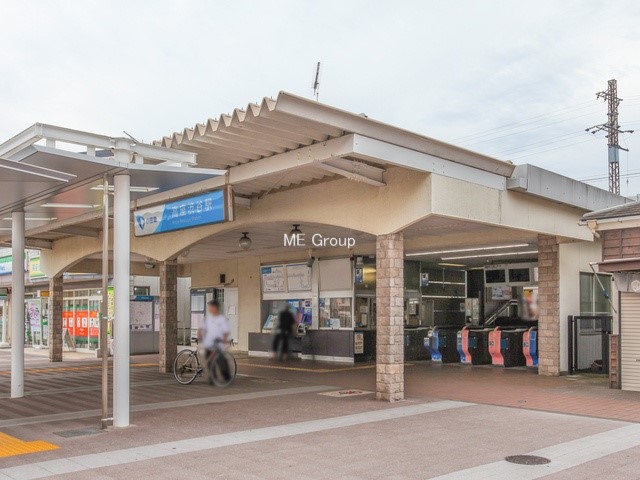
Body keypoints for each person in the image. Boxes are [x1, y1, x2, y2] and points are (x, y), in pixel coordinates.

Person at [199, 300, 231, 383]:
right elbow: (201, 328)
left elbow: (226, 332)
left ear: (215, 307)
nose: (209, 309)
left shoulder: (222, 319)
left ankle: (227, 378)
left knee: (221, 362)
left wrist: (224, 342)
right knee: (210, 362)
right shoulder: (207, 318)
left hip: (218, 345)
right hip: (208, 344)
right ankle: (212, 379)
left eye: (211, 307)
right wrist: (200, 337)